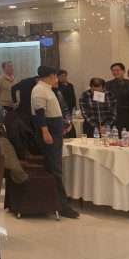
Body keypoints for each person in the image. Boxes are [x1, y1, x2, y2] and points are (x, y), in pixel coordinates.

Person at [31, 65, 79, 219]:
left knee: (56, 166)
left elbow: (53, 112)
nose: (57, 79)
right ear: (51, 75)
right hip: (49, 135)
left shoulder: (48, 89)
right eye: (55, 76)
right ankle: (62, 205)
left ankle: (57, 201)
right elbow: (40, 113)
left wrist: (62, 126)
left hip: (55, 133)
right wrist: (45, 132)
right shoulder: (39, 89)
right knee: (55, 169)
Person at [105, 63, 129, 130]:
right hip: (116, 114)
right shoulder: (108, 84)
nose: (115, 72)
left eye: (117, 70)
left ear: (124, 71)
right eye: (113, 70)